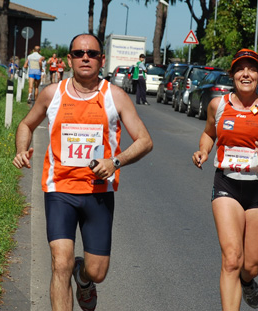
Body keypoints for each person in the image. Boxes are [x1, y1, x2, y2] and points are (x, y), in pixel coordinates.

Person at [13, 34, 153, 311]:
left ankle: (84, 278)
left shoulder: (115, 96)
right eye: (78, 53)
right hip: (59, 190)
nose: (85, 57)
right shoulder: (53, 94)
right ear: (69, 59)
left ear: (102, 59)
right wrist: (21, 150)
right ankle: (71, 274)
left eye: (91, 53)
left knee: (97, 271)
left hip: (98, 193)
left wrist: (116, 161)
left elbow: (145, 141)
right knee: (60, 262)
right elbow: (26, 125)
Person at [192, 48, 258, 310]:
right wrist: (203, 150)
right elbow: (208, 134)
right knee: (231, 259)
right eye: (240, 69)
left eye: (252, 69)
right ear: (232, 75)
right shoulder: (218, 105)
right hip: (226, 183)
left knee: (251, 265)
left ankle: (247, 282)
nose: (246, 74)